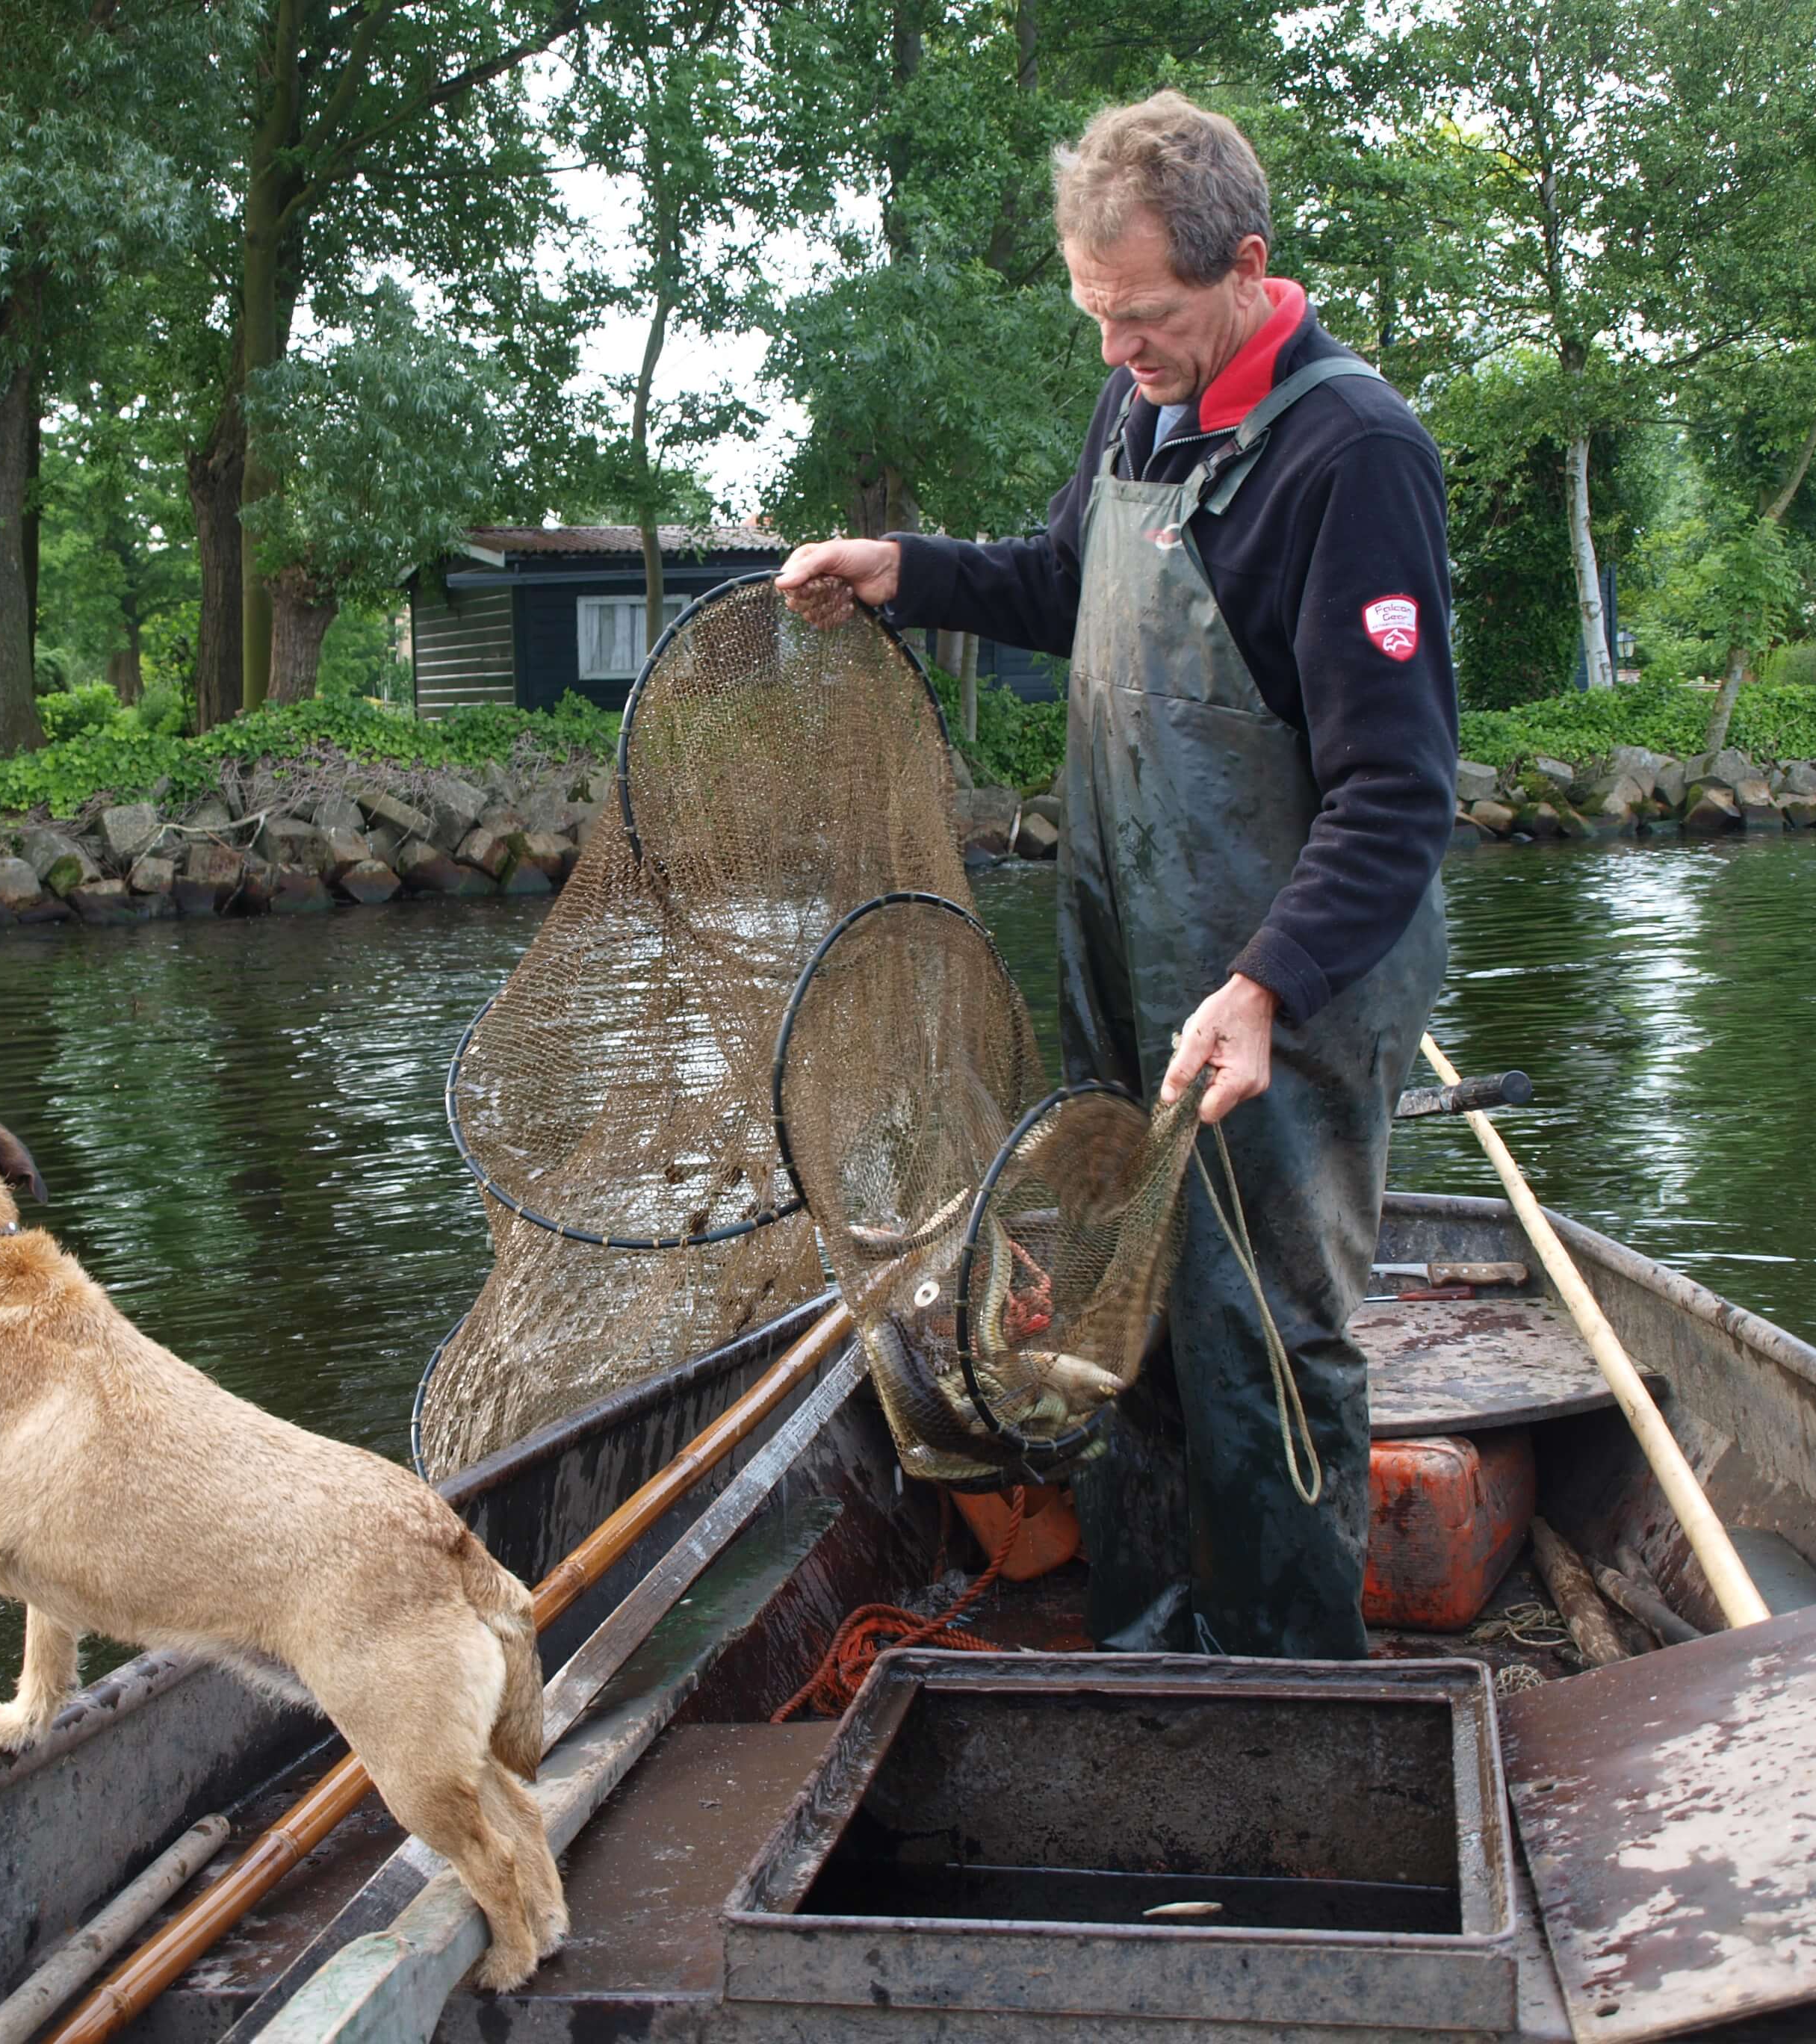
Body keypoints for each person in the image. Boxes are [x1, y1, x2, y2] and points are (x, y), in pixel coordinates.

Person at [775, 90, 1455, 1660]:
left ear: (1245, 268)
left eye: (1138, 316)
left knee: (1269, 1336)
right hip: (1128, 950)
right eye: (1094, 315)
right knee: (1126, 1319)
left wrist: (1267, 988)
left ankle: (1293, 1687)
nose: (1113, 351)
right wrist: (908, 574)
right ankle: (1156, 1636)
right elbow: (1067, 573)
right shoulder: (1141, 407)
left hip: (1290, 979)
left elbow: (1396, 793)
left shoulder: (1354, 455)